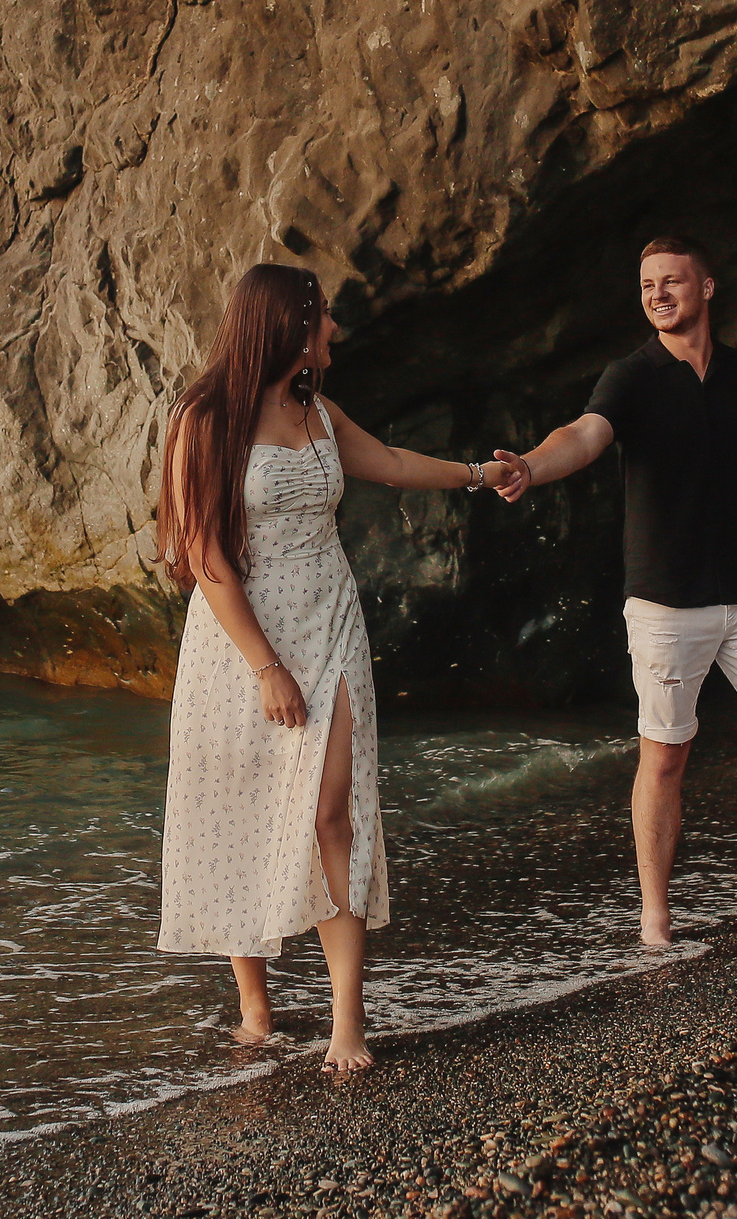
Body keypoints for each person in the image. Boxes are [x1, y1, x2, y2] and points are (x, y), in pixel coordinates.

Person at [155, 262, 516, 1071]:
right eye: (325, 316)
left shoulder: (314, 407)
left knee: (333, 808)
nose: (336, 330)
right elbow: (201, 552)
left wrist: (477, 476)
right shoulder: (203, 416)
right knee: (238, 806)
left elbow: (385, 460)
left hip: (330, 622)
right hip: (237, 642)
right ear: (287, 324)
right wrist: (263, 666)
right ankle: (255, 1003)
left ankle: (347, 1018)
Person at [494, 235, 737, 945]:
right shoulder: (630, 377)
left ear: (707, 288)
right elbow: (584, 434)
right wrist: (532, 466)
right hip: (665, 601)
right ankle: (655, 918)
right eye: (647, 285)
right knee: (665, 753)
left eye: (673, 281)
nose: (659, 293)